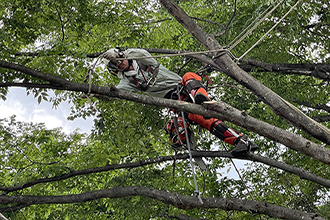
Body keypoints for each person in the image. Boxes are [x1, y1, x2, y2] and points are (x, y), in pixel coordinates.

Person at [103, 48, 258, 157]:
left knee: (189, 75)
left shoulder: (143, 60)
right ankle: (240, 141)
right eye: (116, 64)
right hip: (175, 102)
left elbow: (139, 53)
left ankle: (201, 98)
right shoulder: (128, 81)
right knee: (200, 119)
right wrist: (99, 94)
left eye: (120, 60)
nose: (120, 64)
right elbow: (116, 93)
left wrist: (118, 54)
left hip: (184, 87)